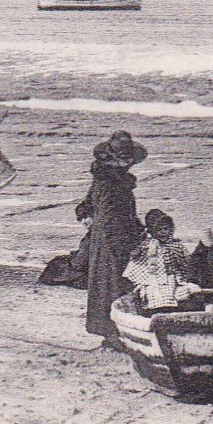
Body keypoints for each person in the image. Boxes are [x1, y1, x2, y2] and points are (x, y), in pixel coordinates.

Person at [81, 129, 146, 345]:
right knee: (113, 284)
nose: (126, 164)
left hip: (107, 237)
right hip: (113, 240)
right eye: (123, 160)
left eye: (127, 160)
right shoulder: (112, 183)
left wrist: (88, 218)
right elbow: (110, 217)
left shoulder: (105, 179)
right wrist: (130, 242)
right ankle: (113, 334)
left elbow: (85, 206)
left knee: (107, 284)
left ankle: (110, 332)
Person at [123, 209, 199, 313]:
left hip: (172, 276)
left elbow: (185, 261)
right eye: (159, 230)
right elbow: (137, 259)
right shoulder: (148, 245)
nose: (163, 232)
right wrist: (138, 251)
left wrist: (186, 274)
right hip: (153, 277)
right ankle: (157, 311)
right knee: (155, 293)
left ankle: (171, 310)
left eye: (166, 229)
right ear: (152, 231)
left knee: (177, 292)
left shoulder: (176, 245)